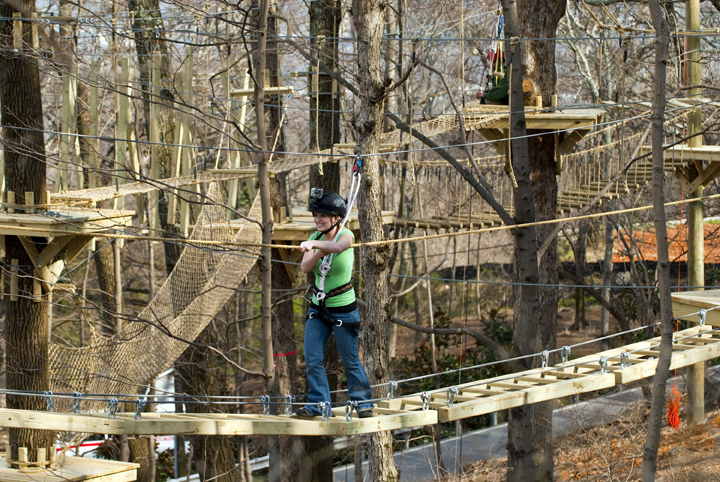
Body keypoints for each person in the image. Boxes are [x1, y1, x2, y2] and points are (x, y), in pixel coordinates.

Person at [295, 190, 374, 419]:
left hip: (343, 309)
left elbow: (339, 248)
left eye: (323, 215)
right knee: (312, 358)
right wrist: (316, 249)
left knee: (349, 359)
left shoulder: (346, 235)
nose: (318, 219)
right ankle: (318, 403)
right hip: (318, 308)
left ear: (336, 218)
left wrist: (313, 245)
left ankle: (362, 402)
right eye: (316, 215)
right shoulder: (317, 239)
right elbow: (305, 267)